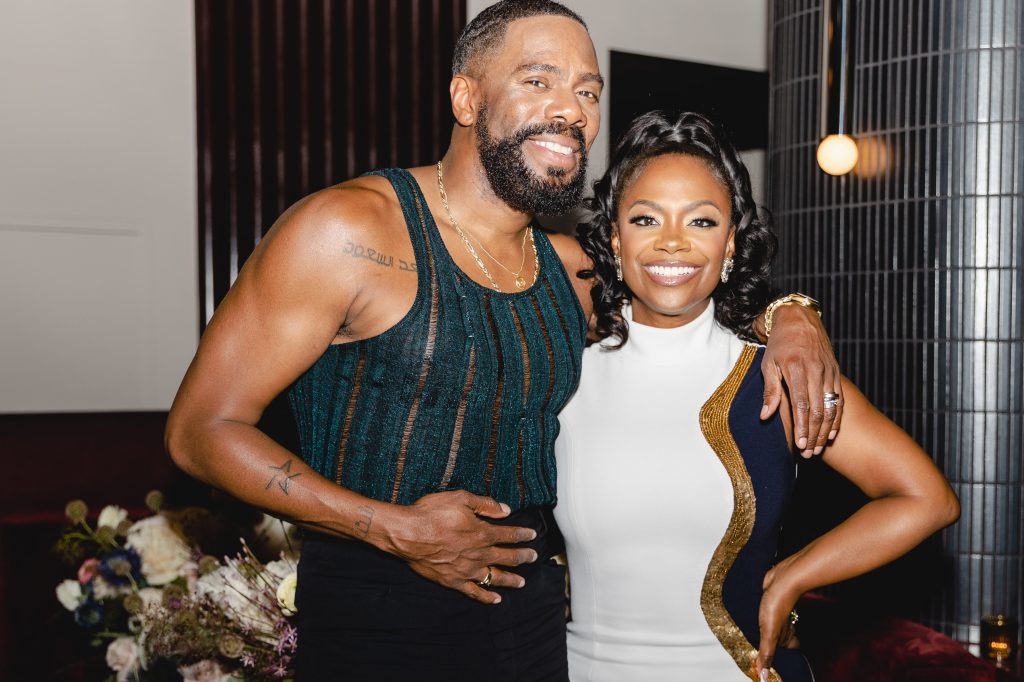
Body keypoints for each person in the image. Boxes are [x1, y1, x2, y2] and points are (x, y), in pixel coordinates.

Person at [165, 3, 842, 680]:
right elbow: (200, 430)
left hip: (537, 635)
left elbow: (687, 286)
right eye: (538, 80)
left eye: (587, 91)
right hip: (373, 632)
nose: (571, 110)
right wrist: (390, 527)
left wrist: (793, 314)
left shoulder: (571, 268)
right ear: (466, 96)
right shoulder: (348, 232)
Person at [554, 110, 960, 682]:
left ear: (730, 246)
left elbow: (926, 499)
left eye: (701, 221)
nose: (672, 241)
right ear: (615, 241)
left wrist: (796, 573)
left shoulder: (781, 374)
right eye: (646, 219)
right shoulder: (561, 373)